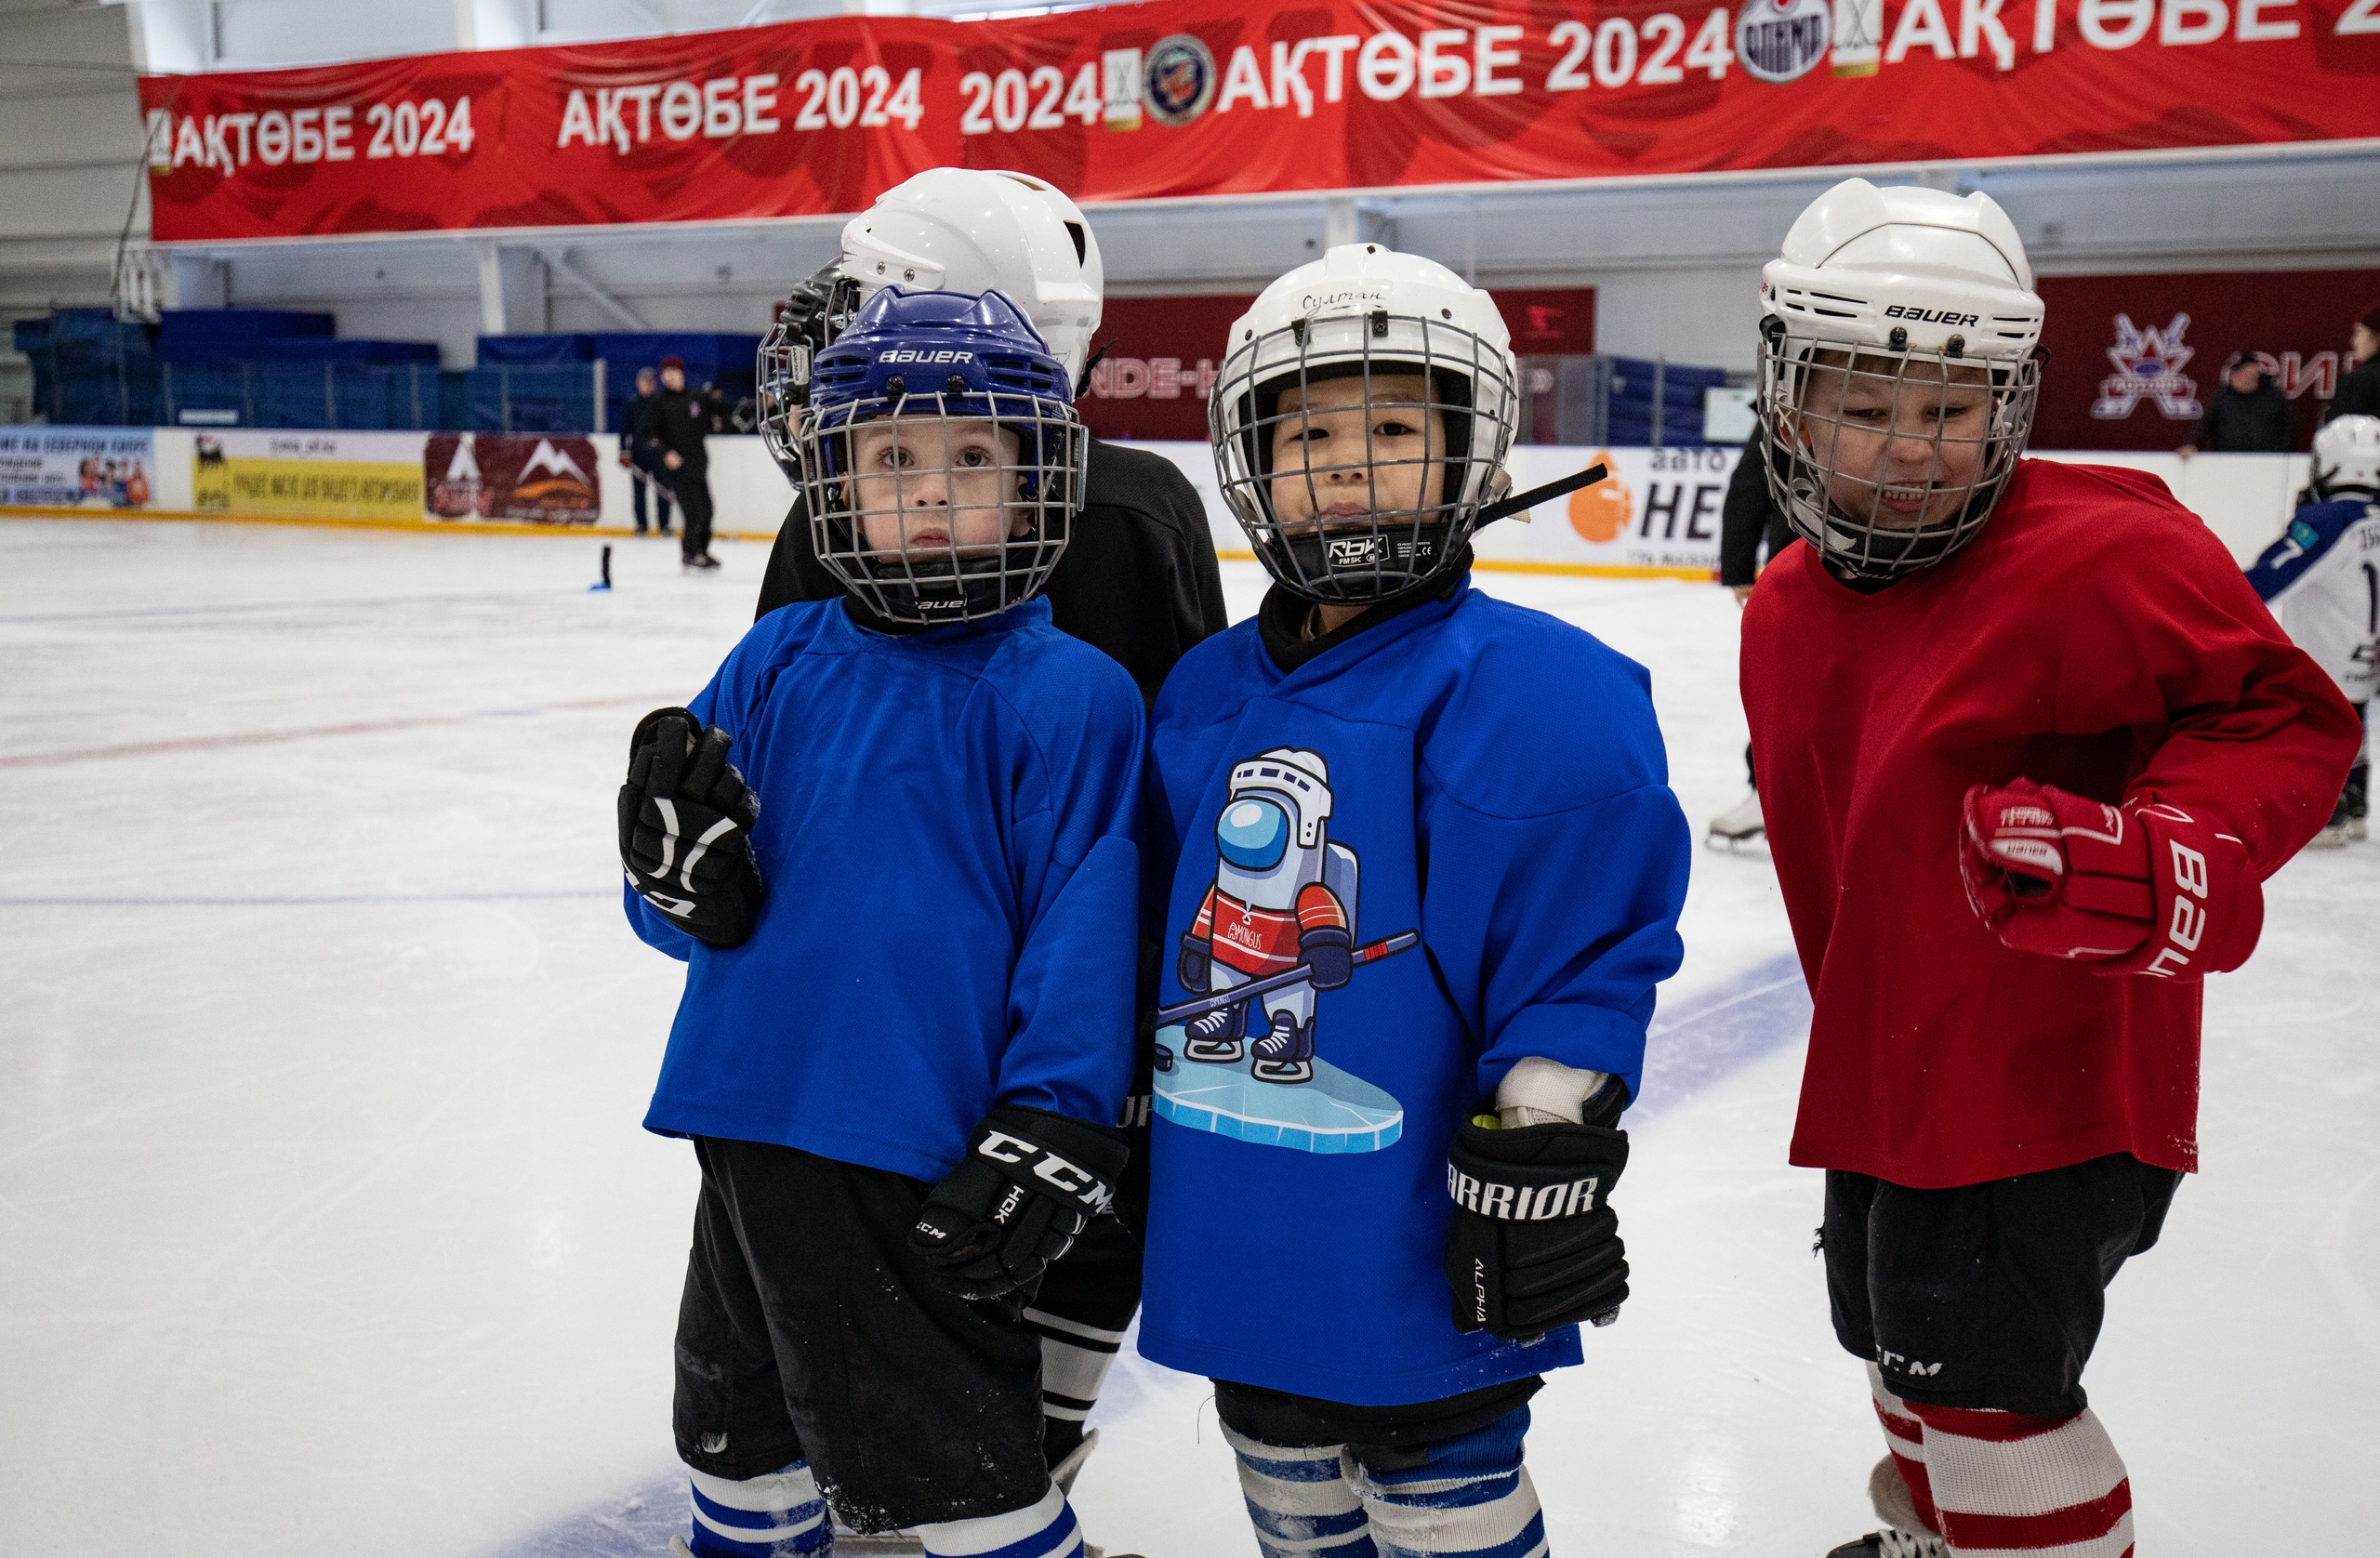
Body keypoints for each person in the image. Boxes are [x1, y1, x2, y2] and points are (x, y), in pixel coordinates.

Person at [1738, 178, 2360, 1558]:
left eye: (1949, 409)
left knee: (1991, 1391)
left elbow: (2283, 718)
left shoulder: (2102, 553)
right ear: (1788, 401)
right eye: (1866, 404)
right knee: (1895, 1340)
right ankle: (1934, 1535)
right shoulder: (1783, 602)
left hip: (2042, 1086)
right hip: (1885, 1067)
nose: (1912, 447)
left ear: (2008, 402)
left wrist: (2173, 847)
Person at [1137, 244, 1692, 1557]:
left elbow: (1581, 956)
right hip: (1229, 1205)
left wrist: (1542, 1133)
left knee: (1436, 1473)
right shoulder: (1201, 689)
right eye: (1308, 433)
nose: (1347, 464)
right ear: (1252, 458)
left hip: (1419, 1219)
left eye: (1391, 428)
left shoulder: (1543, 692)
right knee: (1279, 1460)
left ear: (1469, 454)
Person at [617, 287, 1146, 1558]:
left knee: (952, 1472)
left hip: (911, 1145)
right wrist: (674, 881)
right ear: (837, 479)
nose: (930, 490)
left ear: (1035, 479)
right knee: (737, 1438)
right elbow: (678, 912)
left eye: (972, 457)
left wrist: (1055, 1116)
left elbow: (1085, 927)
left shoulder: (1071, 693)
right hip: (742, 1120)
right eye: (892, 457)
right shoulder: (776, 657)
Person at [752, 166, 1226, 1506]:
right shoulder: (1130, 503)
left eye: (865, 305)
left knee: (1028, 1222)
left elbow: (1165, 785)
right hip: (975, 1001)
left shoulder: (1112, 512)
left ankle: (991, 1472)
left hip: (978, 1003)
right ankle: (1001, 1466)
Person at [754, 167, 1225, 706]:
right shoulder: (1148, 502)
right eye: (897, 458)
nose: (837, 338)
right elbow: (1201, 724)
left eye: (861, 305)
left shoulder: (844, 513)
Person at [2245, 414, 2380, 846]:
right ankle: (2354, 799)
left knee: (2316, 720)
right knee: (2353, 716)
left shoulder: (2328, 520)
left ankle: (2324, 809)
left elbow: (2271, 576)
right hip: (2366, 651)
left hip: (2325, 654)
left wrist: (2214, 595)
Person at [1709, 431, 1796, 845]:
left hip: (1805, 569)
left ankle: (1770, 793)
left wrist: (1740, 568)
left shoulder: (1794, 402)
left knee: (1794, 687)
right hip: (1808, 573)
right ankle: (1770, 793)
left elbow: (1750, 484)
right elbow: (1753, 482)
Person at [641, 354, 722, 570]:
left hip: (698, 464)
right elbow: (648, 433)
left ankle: (700, 550)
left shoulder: (696, 397)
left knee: (707, 510)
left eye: (673, 372)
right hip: (678, 468)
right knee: (693, 512)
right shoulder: (659, 403)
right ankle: (692, 553)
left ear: (681, 373)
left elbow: (714, 415)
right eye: (665, 373)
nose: (669, 376)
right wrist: (666, 452)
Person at [2175, 350, 2293, 456]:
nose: (2235, 376)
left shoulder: (2274, 397)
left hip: (2267, 462)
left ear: (2254, 371)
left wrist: (2280, 454)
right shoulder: (2222, 397)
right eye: (2234, 371)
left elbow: (2290, 428)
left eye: (2241, 371)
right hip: (2227, 461)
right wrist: (2193, 445)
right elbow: (2204, 425)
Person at [620, 364, 675, 537]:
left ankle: (664, 525)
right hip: (638, 453)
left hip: (659, 453)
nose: (647, 385)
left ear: (655, 384)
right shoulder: (631, 404)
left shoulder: (660, 403)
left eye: (650, 382)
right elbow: (624, 430)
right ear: (638, 383)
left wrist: (669, 449)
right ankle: (642, 525)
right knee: (639, 492)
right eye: (644, 382)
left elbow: (668, 428)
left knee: (663, 491)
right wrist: (623, 451)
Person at [2322, 302, 2380, 423]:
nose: (2353, 341)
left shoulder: (2358, 381)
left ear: (2376, 336)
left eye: (2359, 332)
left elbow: (2341, 431)